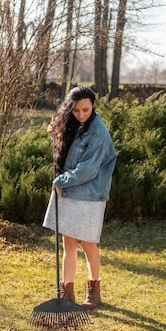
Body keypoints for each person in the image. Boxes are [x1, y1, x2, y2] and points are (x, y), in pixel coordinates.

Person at [42, 86, 117, 310]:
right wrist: (56, 133)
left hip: (90, 194)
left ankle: (94, 291)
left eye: (86, 109)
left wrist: (62, 181)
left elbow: (89, 168)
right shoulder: (71, 125)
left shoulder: (99, 132)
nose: (81, 114)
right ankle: (67, 293)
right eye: (76, 111)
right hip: (69, 191)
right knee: (69, 244)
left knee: (88, 243)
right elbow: (64, 155)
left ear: (93, 106)